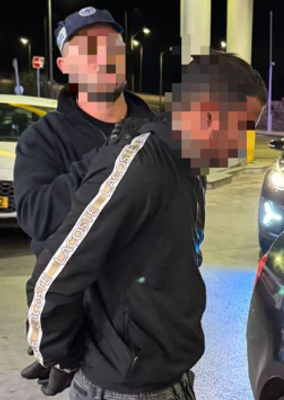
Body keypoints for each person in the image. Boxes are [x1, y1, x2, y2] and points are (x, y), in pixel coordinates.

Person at [21, 51, 267, 399]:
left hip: (171, 377)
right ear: (210, 114)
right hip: (124, 388)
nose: (244, 144)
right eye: (243, 128)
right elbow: (55, 274)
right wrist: (56, 356)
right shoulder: (139, 168)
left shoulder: (188, 166)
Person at [14, 6, 155, 259]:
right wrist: (111, 157)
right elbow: (37, 218)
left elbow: (188, 214)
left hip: (152, 283)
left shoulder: (157, 131)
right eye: (87, 50)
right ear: (64, 65)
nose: (103, 58)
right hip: (79, 285)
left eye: (112, 46)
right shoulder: (42, 139)